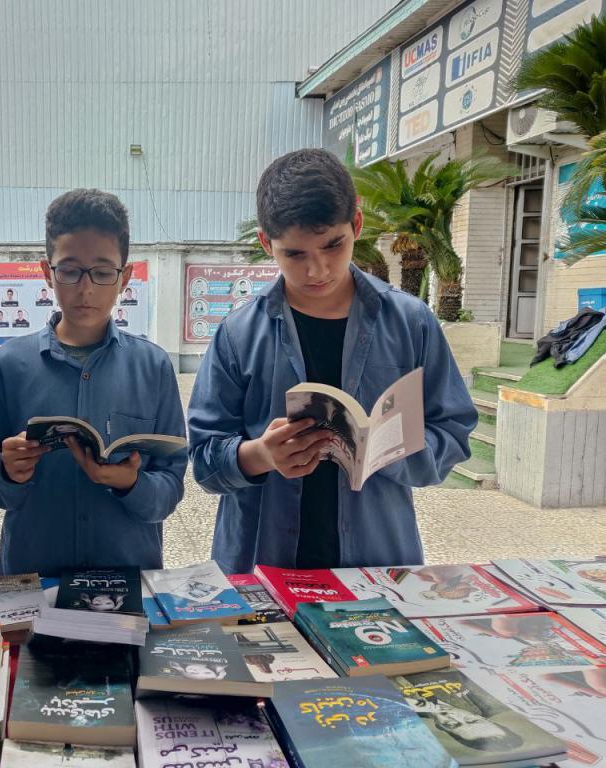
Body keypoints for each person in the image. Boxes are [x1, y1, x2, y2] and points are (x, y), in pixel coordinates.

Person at [188, 149, 477, 573]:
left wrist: (391, 452)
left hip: (377, 564)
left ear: (356, 225)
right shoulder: (239, 333)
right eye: (295, 254)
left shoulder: (410, 323)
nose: (317, 269)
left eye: (333, 245)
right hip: (263, 563)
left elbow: (453, 430)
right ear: (267, 244)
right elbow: (204, 456)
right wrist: (260, 455)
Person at [0, 189, 186, 575]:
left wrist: (132, 484)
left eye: (103, 272)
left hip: (126, 579)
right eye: (70, 270)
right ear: (47, 272)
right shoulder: (10, 365)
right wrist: (11, 473)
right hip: (35, 579)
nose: (86, 289)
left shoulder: (153, 367)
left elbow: (172, 485)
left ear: (125, 277)